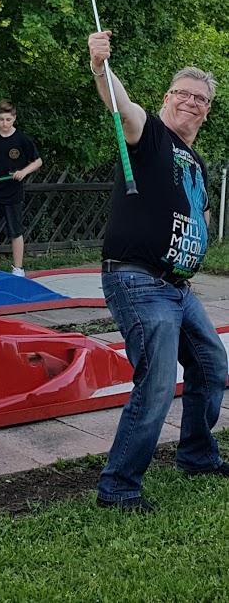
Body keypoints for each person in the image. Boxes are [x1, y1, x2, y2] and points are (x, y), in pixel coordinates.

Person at [89, 29, 228, 513]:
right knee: (156, 381)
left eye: (201, 98)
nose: (192, 102)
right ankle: (119, 486)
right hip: (138, 279)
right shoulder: (147, 134)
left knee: (212, 366)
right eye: (183, 94)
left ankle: (196, 455)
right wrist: (99, 65)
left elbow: (196, 211)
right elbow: (120, 104)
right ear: (167, 98)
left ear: (208, 110)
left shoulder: (196, 159)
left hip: (178, 286)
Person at [0, 99, 43, 276]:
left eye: (8, 119)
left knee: (15, 231)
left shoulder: (22, 139)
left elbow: (38, 161)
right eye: (1, 119)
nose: (4, 123)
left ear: (14, 118)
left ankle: (18, 268)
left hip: (13, 192)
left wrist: (24, 172)